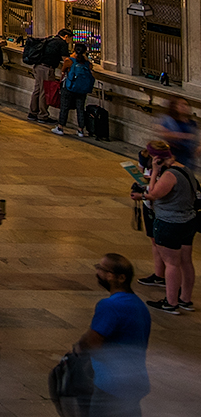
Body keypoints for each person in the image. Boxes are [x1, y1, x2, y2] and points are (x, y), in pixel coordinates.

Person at [73, 253, 153, 415]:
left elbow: (92, 342)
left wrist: (77, 349)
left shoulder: (110, 306)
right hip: (135, 382)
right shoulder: (139, 306)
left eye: (103, 270)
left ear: (120, 277)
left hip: (111, 385)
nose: (98, 273)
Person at [131, 139, 196, 313]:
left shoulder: (169, 175)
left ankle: (171, 302)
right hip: (188, 221)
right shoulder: (185, 169)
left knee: (172, 264)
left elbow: (153, 194)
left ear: (155, 157)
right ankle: (185, 300)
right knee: (186, 262)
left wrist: (155, 172)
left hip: (170, 223)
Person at [54, 43, 97, 137]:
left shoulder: (69, 61)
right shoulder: (87, 64)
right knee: (80, 108)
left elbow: (63, 71)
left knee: (64, 107)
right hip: (82, 89)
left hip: (69, 87)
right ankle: (81, 130)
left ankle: (60, 127)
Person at [30, 26, 72, 122]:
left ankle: (33, 113)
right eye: (70, 38)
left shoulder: (50, 39)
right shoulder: (62, 43)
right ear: (66, 36)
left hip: (38, 66)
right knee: (45, 91)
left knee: (37, 90)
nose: (70, 41)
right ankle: (42, 115)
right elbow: (66, 59)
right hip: (46, 69)